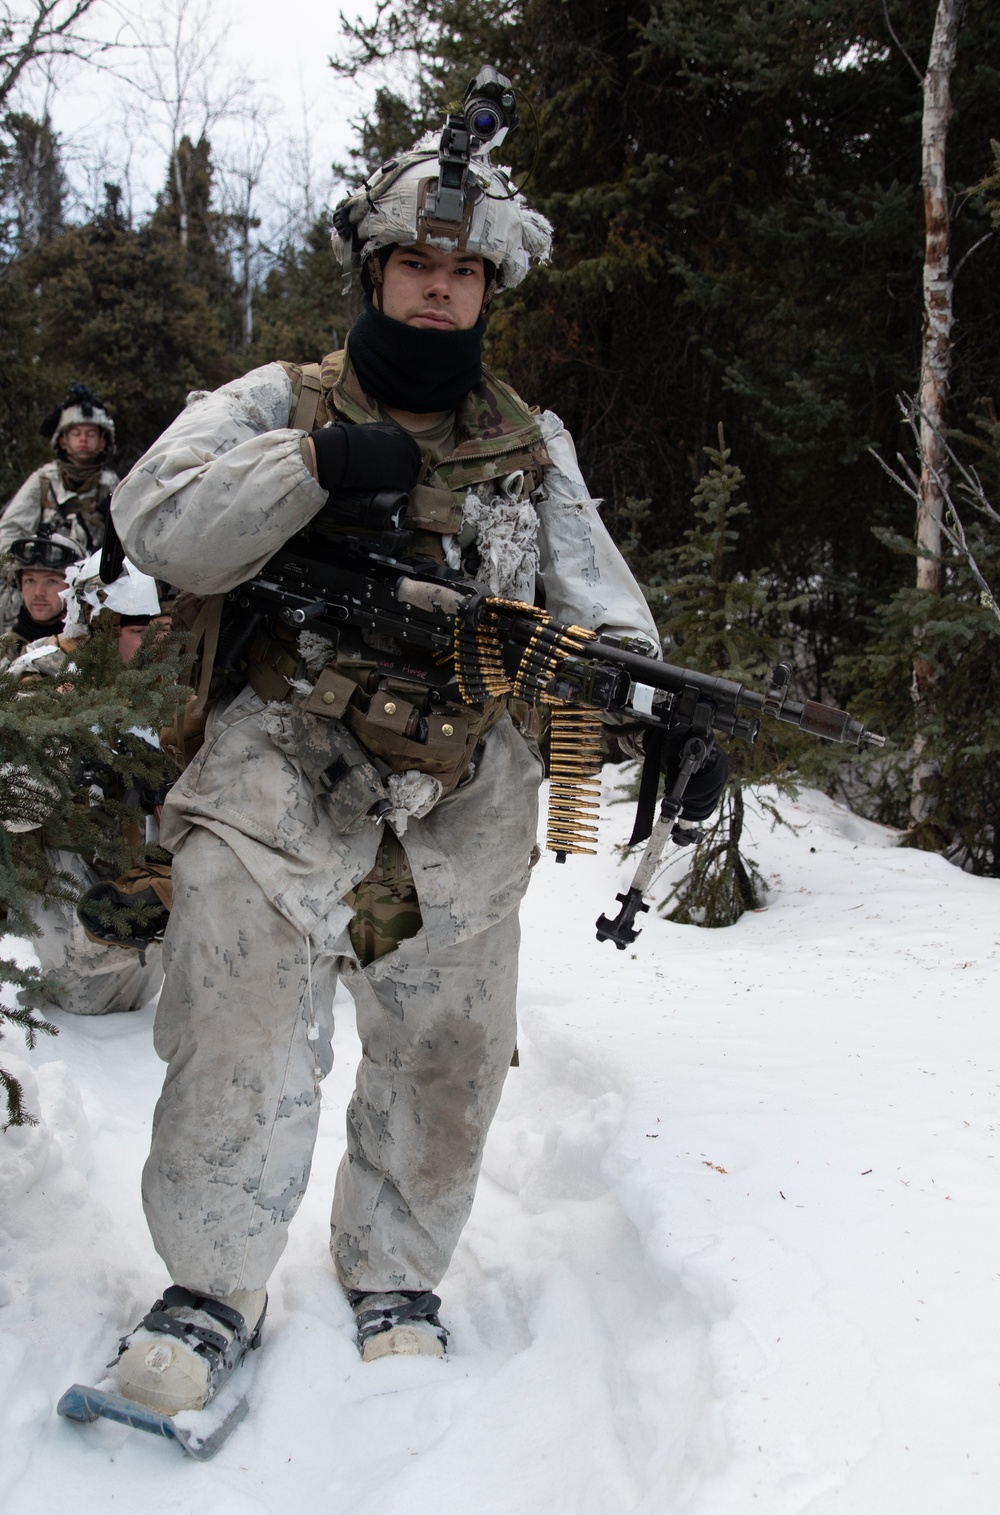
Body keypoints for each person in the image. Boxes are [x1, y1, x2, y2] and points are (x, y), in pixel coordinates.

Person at [108, 87, 728, 1418]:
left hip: (462, 790)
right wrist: (318, 462)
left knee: (449, 1043)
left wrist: (663, 712)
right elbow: (157, 523)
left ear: (487, 288)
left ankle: (396, 1269)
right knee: (241, 1023)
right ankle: (209, 1288)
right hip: (279, 759)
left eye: (463, 271)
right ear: (374, 271)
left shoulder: (529, 440)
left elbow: (600, 599)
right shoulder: (278, 396)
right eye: (416, 265)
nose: (439, 290)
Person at [3, 551, 168, 1017]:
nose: (161, 642)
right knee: (83, 1004)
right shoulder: (42, 675)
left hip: (144, 907)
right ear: (100, 626)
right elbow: (16, 808)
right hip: (65, 904)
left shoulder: (166, 682)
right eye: (141, 631)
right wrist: (63, 733)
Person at [0, 384, 118, 634]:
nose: (83, 439)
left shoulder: (112, 485)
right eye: (76, 433)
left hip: (86, 588)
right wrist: (19, 570)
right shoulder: (44, 480)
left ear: (102, 442)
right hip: (39, 579)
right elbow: (7, 532)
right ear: (63, 441)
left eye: (90, 433)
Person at [0, 531, 84, 656]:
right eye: (30, 580)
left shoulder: (91, 651)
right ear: (19, 584)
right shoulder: (5, 650)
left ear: (73, 587)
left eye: (52, 581)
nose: (39, 593)